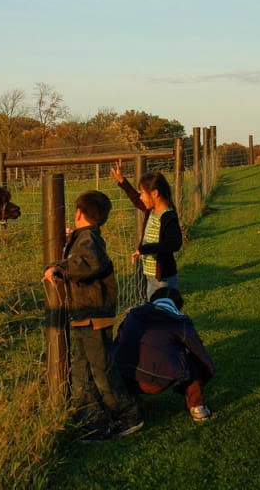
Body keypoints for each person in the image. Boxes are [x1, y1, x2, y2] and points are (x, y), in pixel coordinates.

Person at [43, 190, 143, 440]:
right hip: (83, 314)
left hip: (93, 315)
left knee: (101, 369)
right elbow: (85, 256)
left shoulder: (87, 239)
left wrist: (59, 267)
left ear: (78, 213)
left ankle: (128, 415)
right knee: (81, 368)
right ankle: (92, 420)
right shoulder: (86, 237)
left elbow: (89, 263)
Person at [113, 287, 215, 422]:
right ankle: (198, 406)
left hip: (123, 376)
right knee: (193, 356)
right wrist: (208, 371)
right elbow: (200, 352)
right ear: (177, 305)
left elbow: (117, 343)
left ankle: (128, 399)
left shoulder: (132, 315)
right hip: (157, 380)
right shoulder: (180, 322)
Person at [111, 159, 183, 300]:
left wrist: (144, 249)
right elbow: (136, 200)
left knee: (160, 316)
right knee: (154, 314)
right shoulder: (152, 210)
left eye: (143, 193)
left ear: (155, 193)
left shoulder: (168, 216)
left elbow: (174, 243)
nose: (141, 197)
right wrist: (122, 181)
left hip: (163, 280)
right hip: (151, 276)